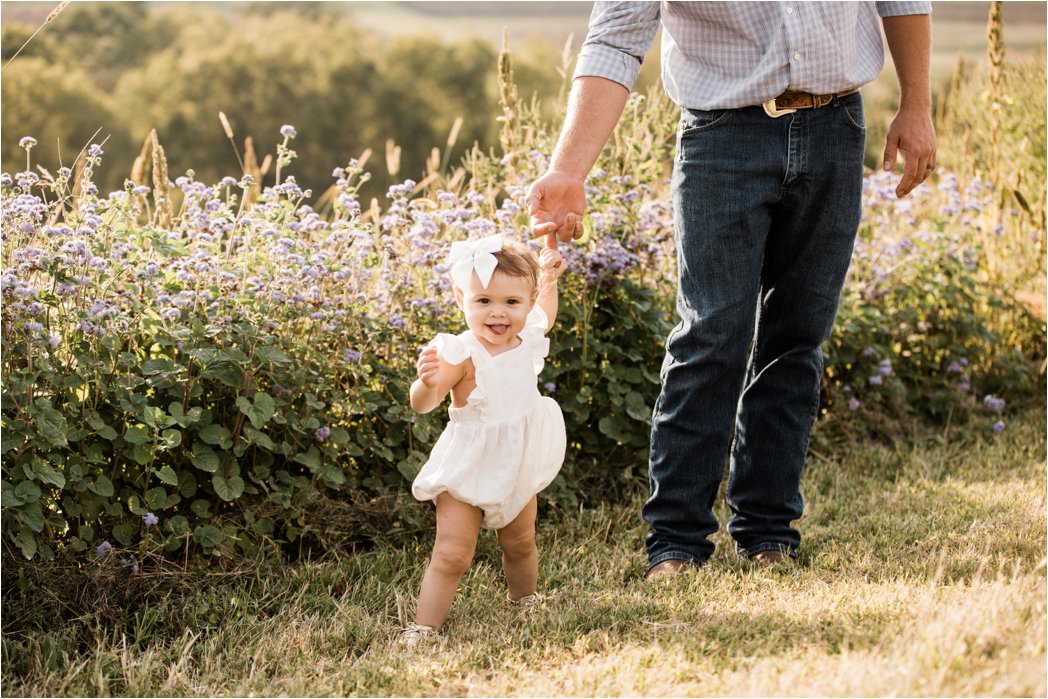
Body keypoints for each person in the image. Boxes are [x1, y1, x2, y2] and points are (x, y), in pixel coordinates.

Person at [527, 2, 936, 579]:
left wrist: (917, 103)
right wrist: (569, 169)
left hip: (835, 127)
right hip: (723, 135)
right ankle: (676, 544)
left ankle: (769, 534)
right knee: (710, 334)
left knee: (798, 336)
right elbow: (616, 41)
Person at [399, 234, 567, 646]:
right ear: (462, 299)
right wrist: (425, 382)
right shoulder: (459, 353)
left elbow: (546, 311)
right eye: (484, 301)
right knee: (453, 552)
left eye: (511, 303)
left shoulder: (527, 338)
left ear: (526, 303)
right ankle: (424, 626)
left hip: (516, 460)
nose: (498, 313)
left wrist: (549, 279)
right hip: (468, 466)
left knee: (521, 542)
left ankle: (524, 600)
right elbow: (424, 404)